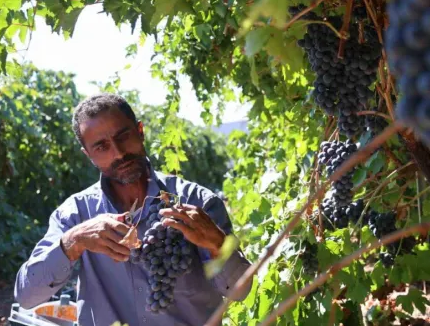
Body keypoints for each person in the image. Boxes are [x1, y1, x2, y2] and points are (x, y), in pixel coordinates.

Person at [14, 93, 252, 325]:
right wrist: (73, 241)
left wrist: (216, 242)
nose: (118, 153)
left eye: (123, 136)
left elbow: (241, 291)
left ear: (140, 131)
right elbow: (27, 297)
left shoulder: (197, 201)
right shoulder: (76, 214)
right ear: (88, 155)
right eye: (101, 147)